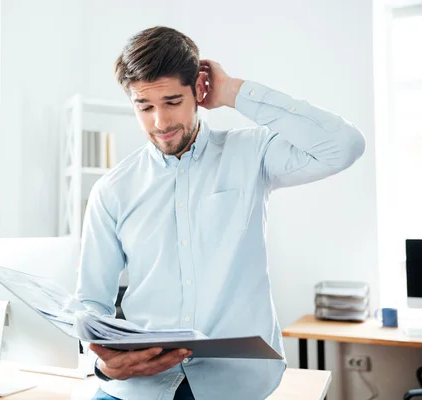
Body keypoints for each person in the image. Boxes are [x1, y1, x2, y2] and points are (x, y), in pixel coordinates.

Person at [75, 26, 365, 400]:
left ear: (198, 89)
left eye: (173, 101)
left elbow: (344, 146)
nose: (160, 122)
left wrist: (233, 93)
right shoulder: (112, 190)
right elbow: (91, 303)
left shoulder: (251, 154)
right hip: (136, 387)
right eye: (144, 107)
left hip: (233, 384)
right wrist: (102, 364)